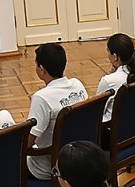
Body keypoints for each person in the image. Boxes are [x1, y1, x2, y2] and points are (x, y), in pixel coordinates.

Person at [26, 42, 89, 179]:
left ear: (41, 69)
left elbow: (27, 142)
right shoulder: (77, 84)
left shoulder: (41, 98)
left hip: (51, 166)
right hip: (81, 157)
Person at [95, 33, 135, 129]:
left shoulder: (108, 81)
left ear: (115, 56)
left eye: (108, 52)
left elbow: (97, 111)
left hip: (115, 133)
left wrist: (110, 76)